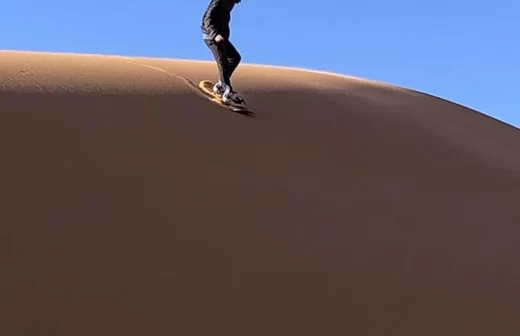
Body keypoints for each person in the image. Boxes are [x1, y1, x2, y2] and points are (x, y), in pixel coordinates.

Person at [201, 0, 245, 105]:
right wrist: (215, 34)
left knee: (235, 57)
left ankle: (221, 85)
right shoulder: (219, 1)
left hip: (221, 38)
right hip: (212, 38)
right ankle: (227, 93)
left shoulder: (227, 7)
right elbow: (207, 19)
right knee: (223, 63)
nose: (234, 5)